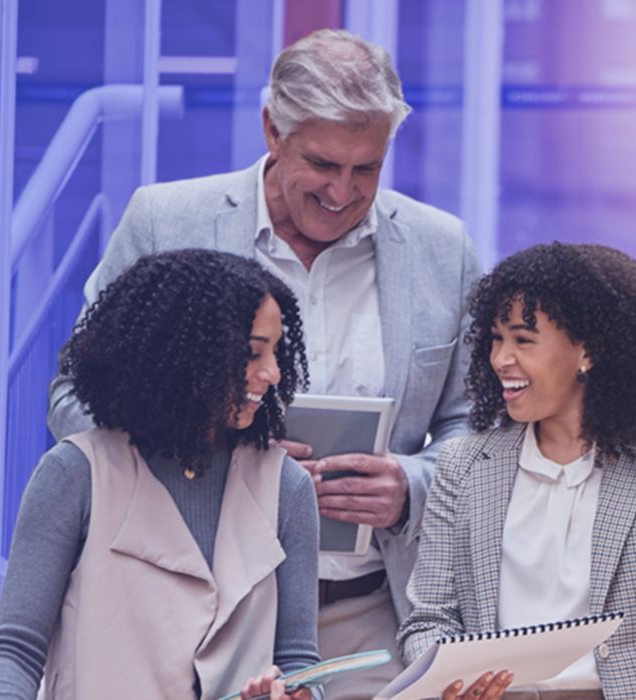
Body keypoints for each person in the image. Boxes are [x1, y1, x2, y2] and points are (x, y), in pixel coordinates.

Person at [47, 29, 480, 697]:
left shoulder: (440, 248)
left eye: (367, 168)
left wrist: (412, 487)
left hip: (374, 618)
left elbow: (476, 426)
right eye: (323, 165)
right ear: (272, 131)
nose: (344, 191)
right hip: (194, 611)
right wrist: (210, 449)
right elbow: (74, 397)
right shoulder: (167, 221)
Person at [398, 243, 636, 699]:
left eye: (523, 339)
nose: (501, 358)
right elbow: (428, 619)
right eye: (496, 338)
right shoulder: (463, 464)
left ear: (588, 352)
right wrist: (449, 685)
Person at [0, 250, 321, 699]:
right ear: (187, 354)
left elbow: (300, 661)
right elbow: (15, 649)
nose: (273, 373)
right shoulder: (76, 474)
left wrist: (299, 695)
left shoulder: (287, 488)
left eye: (276, 351)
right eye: (253, 353)